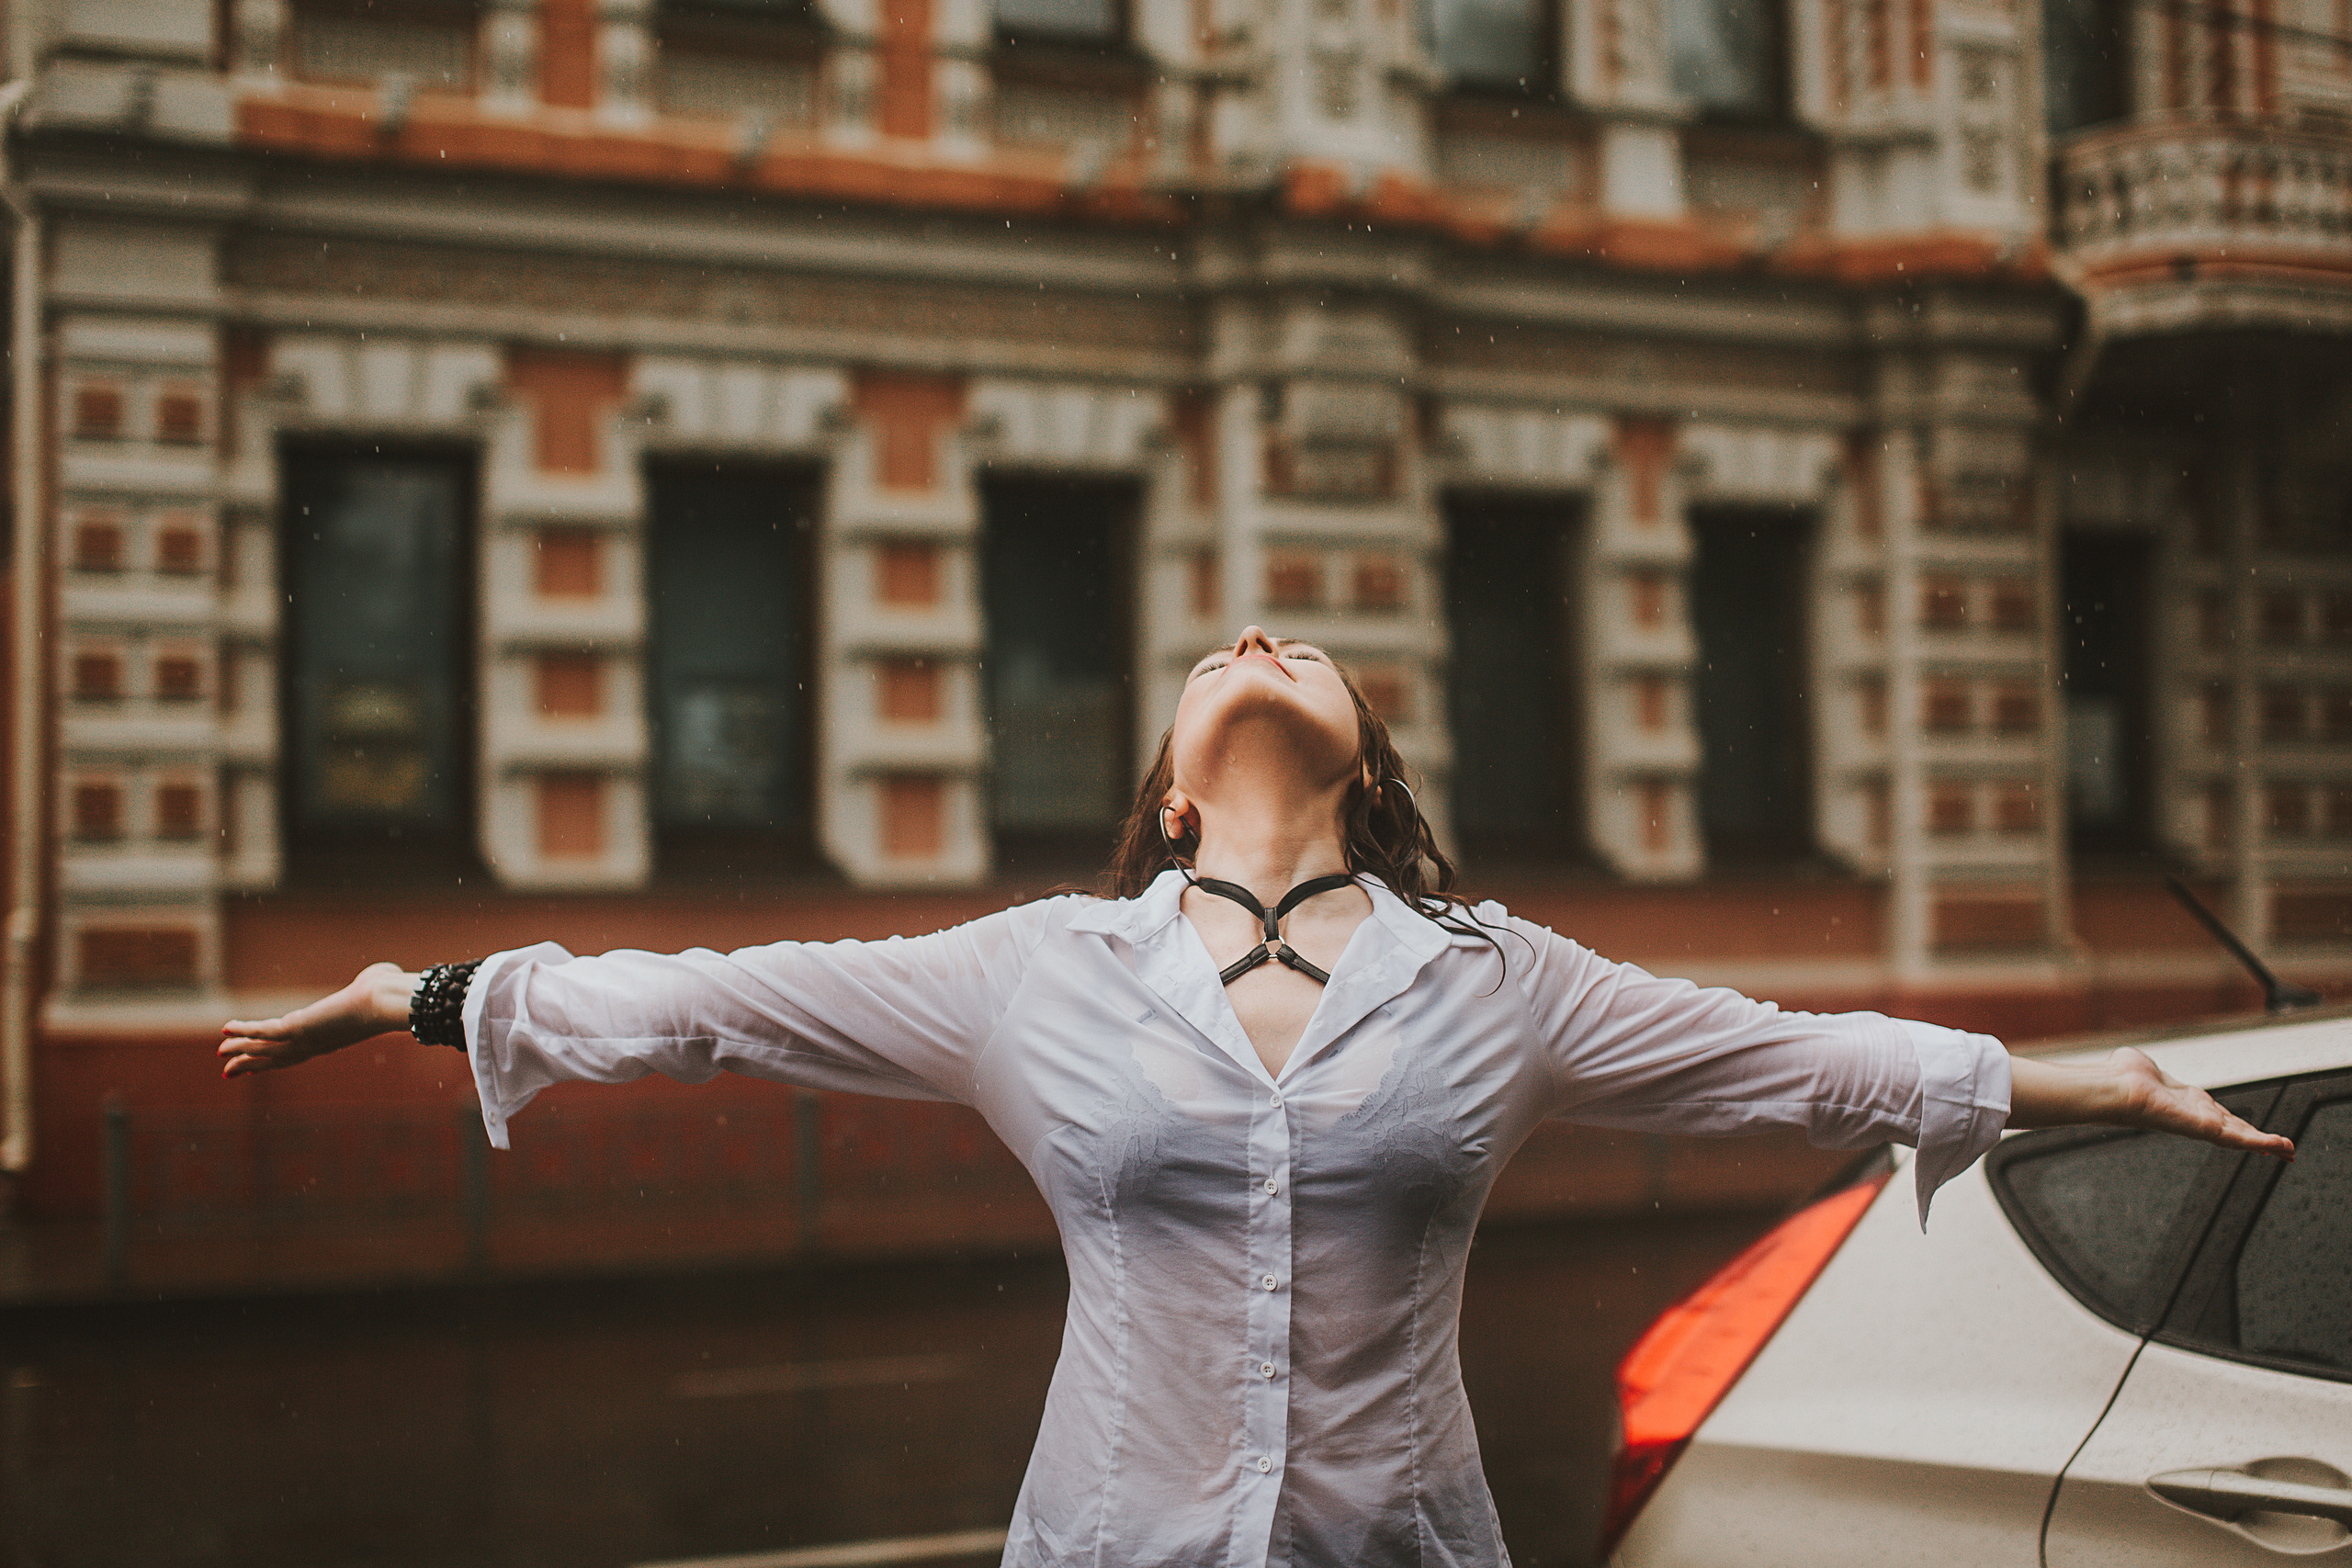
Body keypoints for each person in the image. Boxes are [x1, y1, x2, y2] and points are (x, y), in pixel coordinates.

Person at [220, 625, 2290, 1568]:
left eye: (1300, 637)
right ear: (1178, 779)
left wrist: (2095, 1072)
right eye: (1220, 642)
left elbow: (1788, 1053)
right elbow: (705, 1005)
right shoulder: (1039, 971)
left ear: (1365, 766)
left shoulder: (1500, 983)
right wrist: (422, 991)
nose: (1258, 628)